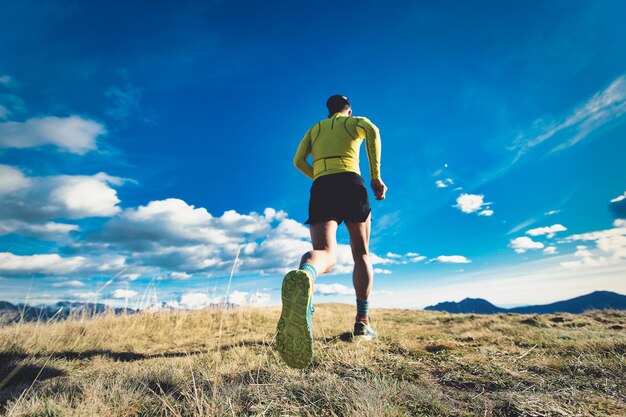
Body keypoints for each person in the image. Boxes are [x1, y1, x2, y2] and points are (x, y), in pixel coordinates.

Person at [275, 94, 387, 369]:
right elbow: (372, 131)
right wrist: (375, 176)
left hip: (322, 187)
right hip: (351, 181)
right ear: (348, 110)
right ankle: (362, 323)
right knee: (361, 254)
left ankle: (306, 275)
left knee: (326, 252)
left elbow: (298, 160)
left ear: (328, 111)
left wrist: (319, 176)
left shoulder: (315, 129)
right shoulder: (354, 122)